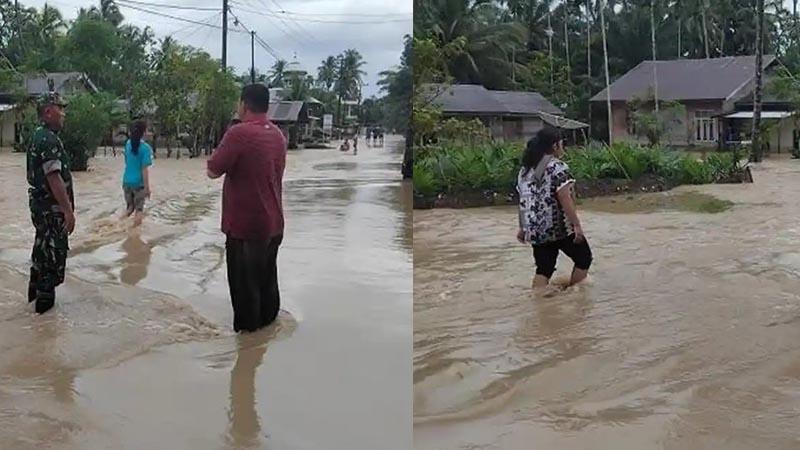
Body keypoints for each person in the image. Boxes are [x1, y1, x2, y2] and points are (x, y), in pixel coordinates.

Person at [207, 84, 287, 333]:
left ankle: (247, 348)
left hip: (245, 228)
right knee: (267, 286)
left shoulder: (238, 133)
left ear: (244, 104)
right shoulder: (278, 135)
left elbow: (212, 170)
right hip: (274, 224)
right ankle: (266, 341)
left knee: (245, 296)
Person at [516, 128, 592, 288]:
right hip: (559, 228)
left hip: (536, 229)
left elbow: (524, 200)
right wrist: (576, 225)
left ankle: (538, 298)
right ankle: (575, 295)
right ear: (555, 145)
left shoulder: (525, 170)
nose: (563, 147)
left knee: (544, 269)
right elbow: (565, 198)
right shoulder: (557, 167)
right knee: (584, 258)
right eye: (561, 144)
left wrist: (523, 227)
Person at [26, 92, 74, 315]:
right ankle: (43, 321)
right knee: (51, 266)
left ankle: (32, 318)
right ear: (48, 111)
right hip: (51, 210)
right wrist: (68, 211)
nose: (63, 114)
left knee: (40, 257)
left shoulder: (39, 135)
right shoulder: (48, 140)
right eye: (60, 108)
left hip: (41, 208)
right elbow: (54, 178)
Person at [122, 120, 153, 227]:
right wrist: (147, 188)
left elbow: (126, 161)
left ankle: (116, 224)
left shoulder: (128, 144)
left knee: (129, 209)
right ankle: (134, 232)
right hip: (138, 184)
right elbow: (144, 170)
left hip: (126, 181)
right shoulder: (146, 149)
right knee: (139, 210)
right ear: (143, 132)